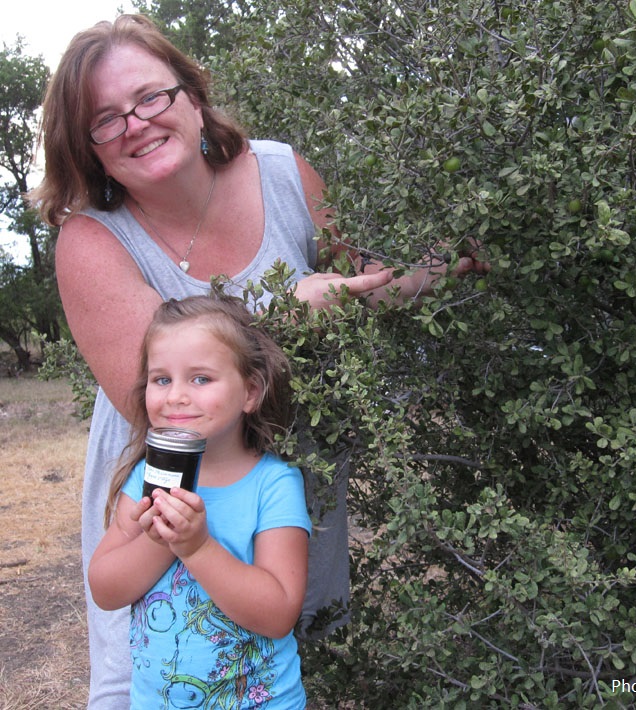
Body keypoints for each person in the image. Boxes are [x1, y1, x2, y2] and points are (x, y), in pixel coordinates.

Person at [29, 13, 488, 708]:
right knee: (165, 671)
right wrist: (287, 317)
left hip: (281, 474)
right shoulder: (90, 240)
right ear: (85, 147)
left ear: (191, 95)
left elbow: (364, 280)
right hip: (168, 485)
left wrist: (454, 267)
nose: (135, 123)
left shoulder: (281, 174)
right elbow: (149, 402)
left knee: (276, 660)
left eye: (151, 97)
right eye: (105, 118)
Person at [88, 294, 310, 708]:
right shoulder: (143, 479)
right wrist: (157, 540)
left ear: (250, 391)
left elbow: (279, 613)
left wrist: (198, 548)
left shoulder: (273, 485)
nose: (175, 396)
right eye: (162, 379)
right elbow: (104, 588)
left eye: (200, 379)